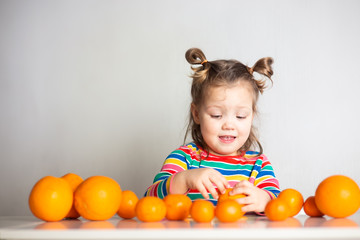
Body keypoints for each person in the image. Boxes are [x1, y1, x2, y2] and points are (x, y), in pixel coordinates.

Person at [144, 48, 280, 213]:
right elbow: (149, 201)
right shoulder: (184, 159)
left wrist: (264, 199)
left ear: (252, 116)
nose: (228, 125)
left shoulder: (259, 165)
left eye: (241, 116)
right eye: (216, 115)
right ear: (197, 114)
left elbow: (278, 203)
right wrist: (184, 180)